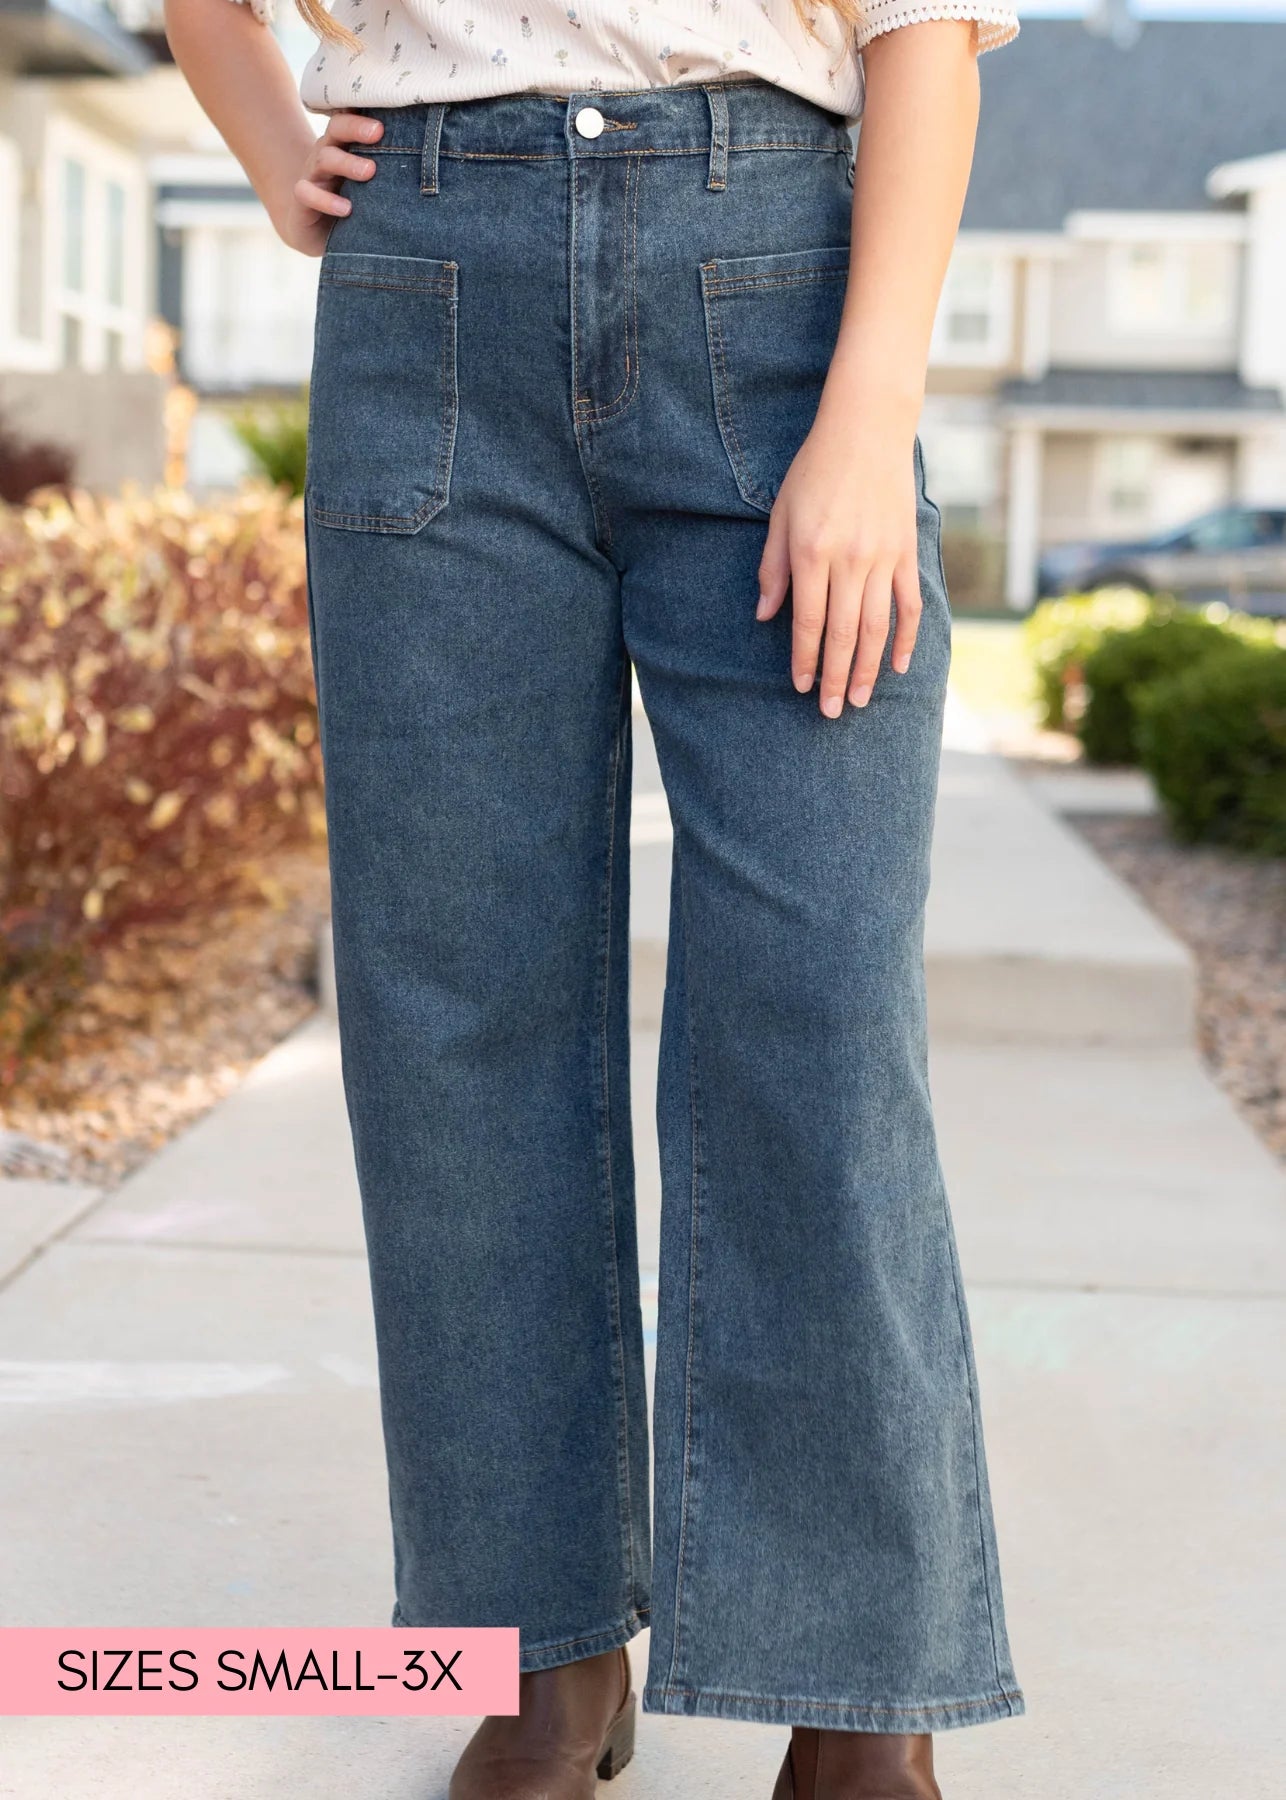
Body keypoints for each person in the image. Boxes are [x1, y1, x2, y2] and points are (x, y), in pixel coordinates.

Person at [163, 0, 1026, 1791]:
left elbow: (923, 35)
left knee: (820, 1010)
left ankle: (859, 1685)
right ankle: (539, 1654)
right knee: (455, 1016)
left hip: (775, 283)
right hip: (427, 291)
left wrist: (869, 416)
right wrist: (272, 151)